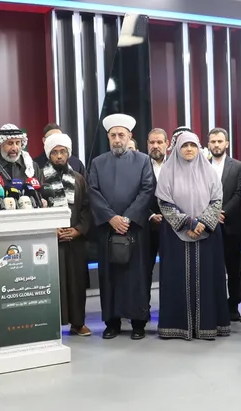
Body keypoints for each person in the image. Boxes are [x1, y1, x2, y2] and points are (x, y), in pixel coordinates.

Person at [156, 132, 230, 340]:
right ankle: (177, 327)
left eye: (193, 145)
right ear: (177, 148)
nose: (189, 149)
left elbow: (216, 200)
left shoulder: (210, 171)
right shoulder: (167, 172)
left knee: (208, 279)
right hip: (175, 235)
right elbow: (164, 202)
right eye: (184, 145)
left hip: (208, 234)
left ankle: (208, 326)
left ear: (198, 148)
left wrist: (202, 223)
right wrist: (189, 223)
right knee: (176, 279)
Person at [88, 113, 155, 340]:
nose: (117, 139)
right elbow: (93, 192)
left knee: (137, 276)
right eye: (113, 135)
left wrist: (127, 218)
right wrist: (111, 218)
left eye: (121, 135)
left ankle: (138, 323)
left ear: (129, 136)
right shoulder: (97, 163)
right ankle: (112, 323)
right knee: (110, 278)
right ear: (108, 137)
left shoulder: (143, 160)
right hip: (108, 229)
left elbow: (147, 190)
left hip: (134, 229)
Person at [42, 133, 92, 336]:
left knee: (76, 282)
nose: (59, 156)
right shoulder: (40, 178)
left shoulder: (79, 179)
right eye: (55, 152)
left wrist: (78, 230)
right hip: (50, 241)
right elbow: (36, 208)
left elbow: (87, 208)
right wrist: (51, 230)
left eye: (63, 152)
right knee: (51, 283)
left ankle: (78, 323)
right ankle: (50, 325)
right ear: (49, 155)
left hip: (75, 241)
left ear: (68, 153)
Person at [209, 127, 241, 322]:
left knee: (233, 269)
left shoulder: (238, 166)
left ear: (227, 144)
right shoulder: (201, 165)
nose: (216, 145)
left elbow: (240, 194)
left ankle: (233, 306)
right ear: (208, 144)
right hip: (207, 226)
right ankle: (215, 304)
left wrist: (221, 213)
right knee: (212, 269)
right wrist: (210, 215)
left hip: (231, 224)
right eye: (213, 142)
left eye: (219, 141)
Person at [146, 128, 168, 285]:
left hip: (173, 227)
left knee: (171, 270)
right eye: (152, 142)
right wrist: (150, 215)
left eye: (159, 142)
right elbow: (134, 194)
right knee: (145, 270)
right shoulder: (140, 165)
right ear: (147, 144)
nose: (155, 146)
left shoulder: (177, 164)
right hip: (146, 226)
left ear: (167, 143)